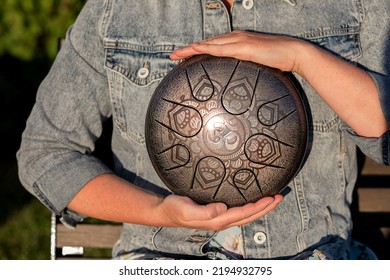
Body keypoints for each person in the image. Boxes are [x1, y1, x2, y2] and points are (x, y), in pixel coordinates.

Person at [17, 0, 390, 260]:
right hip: (163, 259)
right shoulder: (118, 9)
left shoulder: (352, 5)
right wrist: (162, 212)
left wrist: (302, 56)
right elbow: (45, 154)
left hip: (311, 258)